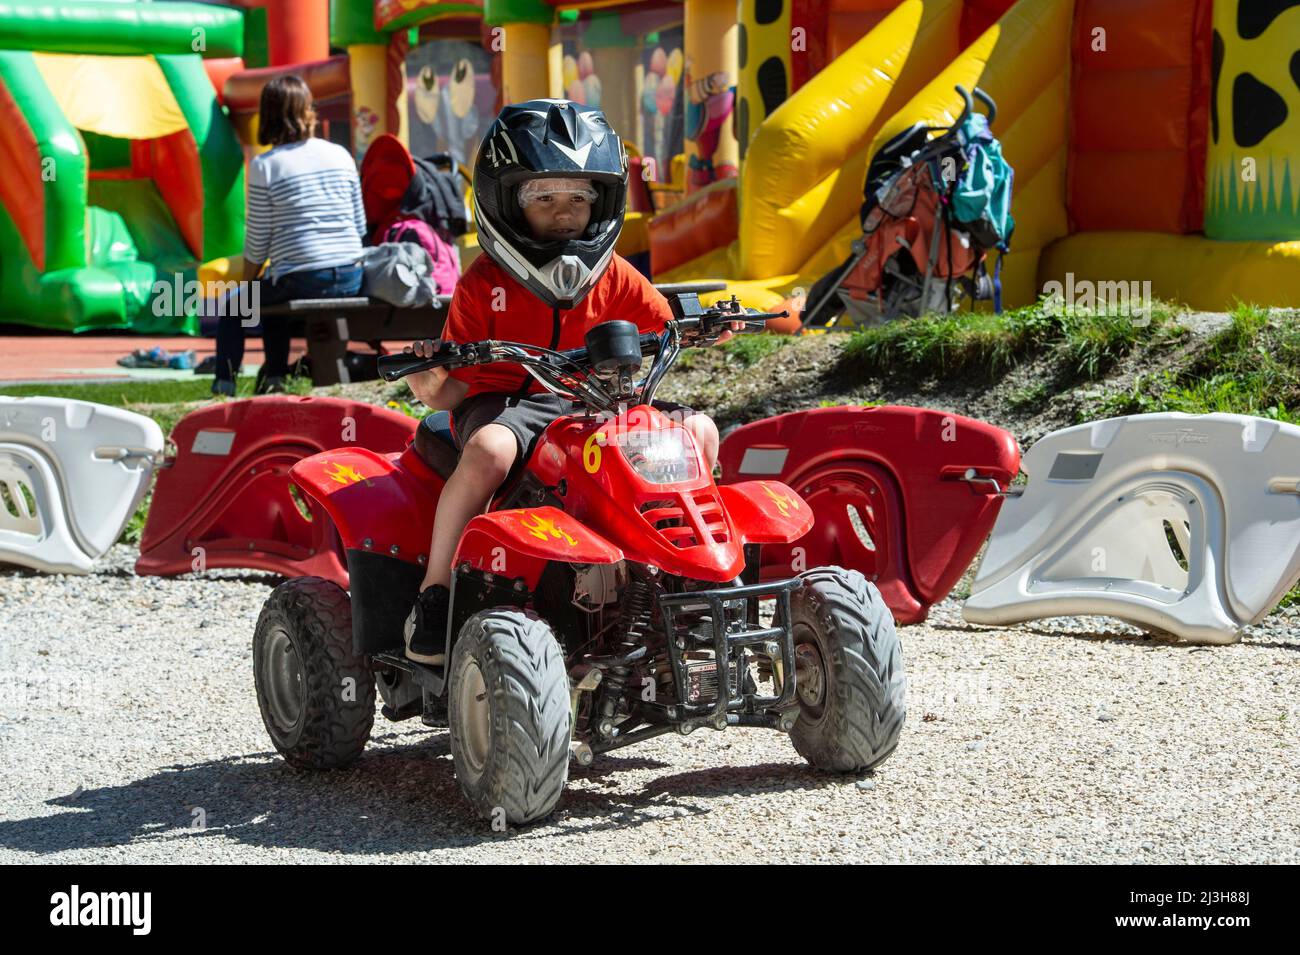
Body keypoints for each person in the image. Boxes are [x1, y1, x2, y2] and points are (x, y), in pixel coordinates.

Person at [399, 99, 742, 664]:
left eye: (578, 199)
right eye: (544, 198)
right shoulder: (484, 282)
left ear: (600, 203)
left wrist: (714, 325)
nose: (564, 214)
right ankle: (436, 593)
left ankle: (691, 579)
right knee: (488, 447)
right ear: (508, 200)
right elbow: (458, 383)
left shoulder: (615, 274)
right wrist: (434, 379)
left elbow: (666, 324)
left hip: (605, 401)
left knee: (698, 429)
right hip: (514, 403)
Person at [209, 75, 366, 396]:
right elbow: (360, 225)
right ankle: (275, 376)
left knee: (239, 302)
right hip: (351, 275)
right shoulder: (341, 154)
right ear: (308, 110)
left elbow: (258, 241)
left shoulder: (266, 165)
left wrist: (248, 281)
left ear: (268, 115)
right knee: (275, 282)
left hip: (302, 278)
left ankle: (226, 384)